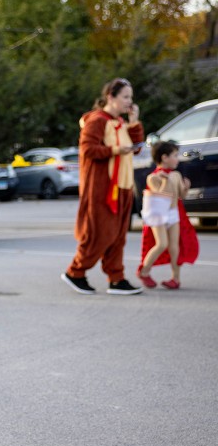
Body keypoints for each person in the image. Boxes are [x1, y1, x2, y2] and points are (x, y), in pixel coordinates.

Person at [62, 78, 145, 295]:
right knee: (99, 234)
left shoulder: (119, 121)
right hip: (102, 188)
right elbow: (88, 149)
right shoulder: (97, 120)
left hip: (123, 186)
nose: (130, 102)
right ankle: (75, 272)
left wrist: (134, 122)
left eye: (131, 97)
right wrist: (116, 150)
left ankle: (116, 279)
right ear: (111, 97)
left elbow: (135, 148)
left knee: (118, 235)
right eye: (125, 97)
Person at [137, 141, 198, 289]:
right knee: (161, 244)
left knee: (173, 246)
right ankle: (144, 271)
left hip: (173, 213)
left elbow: (180, 196)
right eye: (175, 156)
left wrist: (186, 188)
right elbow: (161, 195)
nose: (177, 159)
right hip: (159, 215)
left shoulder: (176, 175)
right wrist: (164, 181)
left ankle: (175, 278)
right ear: (164, 158)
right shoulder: (153, 177)